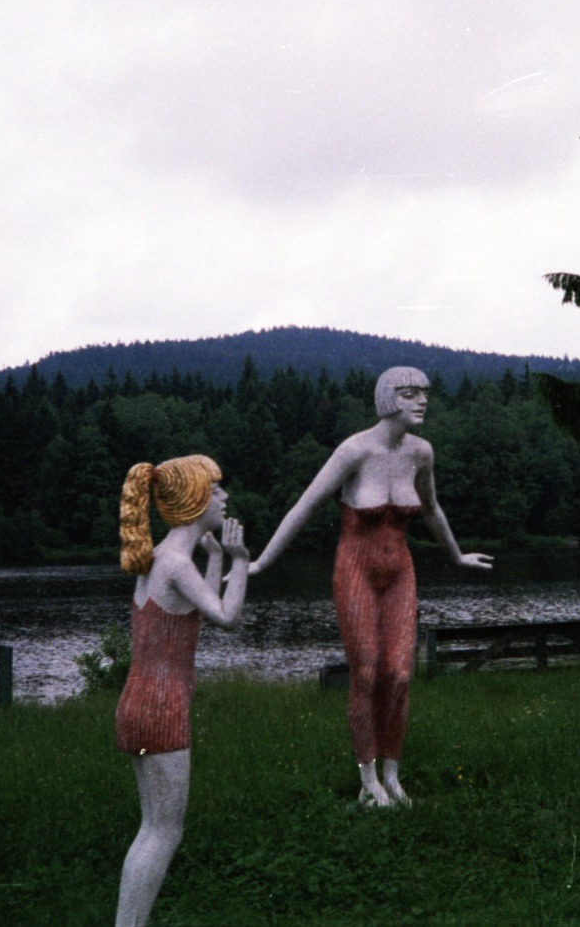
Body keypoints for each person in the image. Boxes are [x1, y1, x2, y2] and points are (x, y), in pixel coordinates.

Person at [249, 366, 492, 806]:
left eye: (424, 393)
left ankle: (393, 775)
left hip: (401, 571)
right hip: (355, 570)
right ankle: (368, 780)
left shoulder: (421, 453)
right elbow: (304, 506)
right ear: (387, 398)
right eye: (409, 393)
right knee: (364, 674)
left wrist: (455, 554)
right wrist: (262, 562)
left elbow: (433, 509)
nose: (421, 401)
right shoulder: (354, 451)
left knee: (399, 675)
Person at [113, 454, 250, 927]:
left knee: (152, 828)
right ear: (196, 501)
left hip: (136, 704)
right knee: (162, 833)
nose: (224, 496)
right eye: (216, 489)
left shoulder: (158, 559)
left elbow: (199, 608)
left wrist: (213, 558)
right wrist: (241, 563)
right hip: (162, 710)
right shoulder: (172, 562)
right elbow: (227, 617)